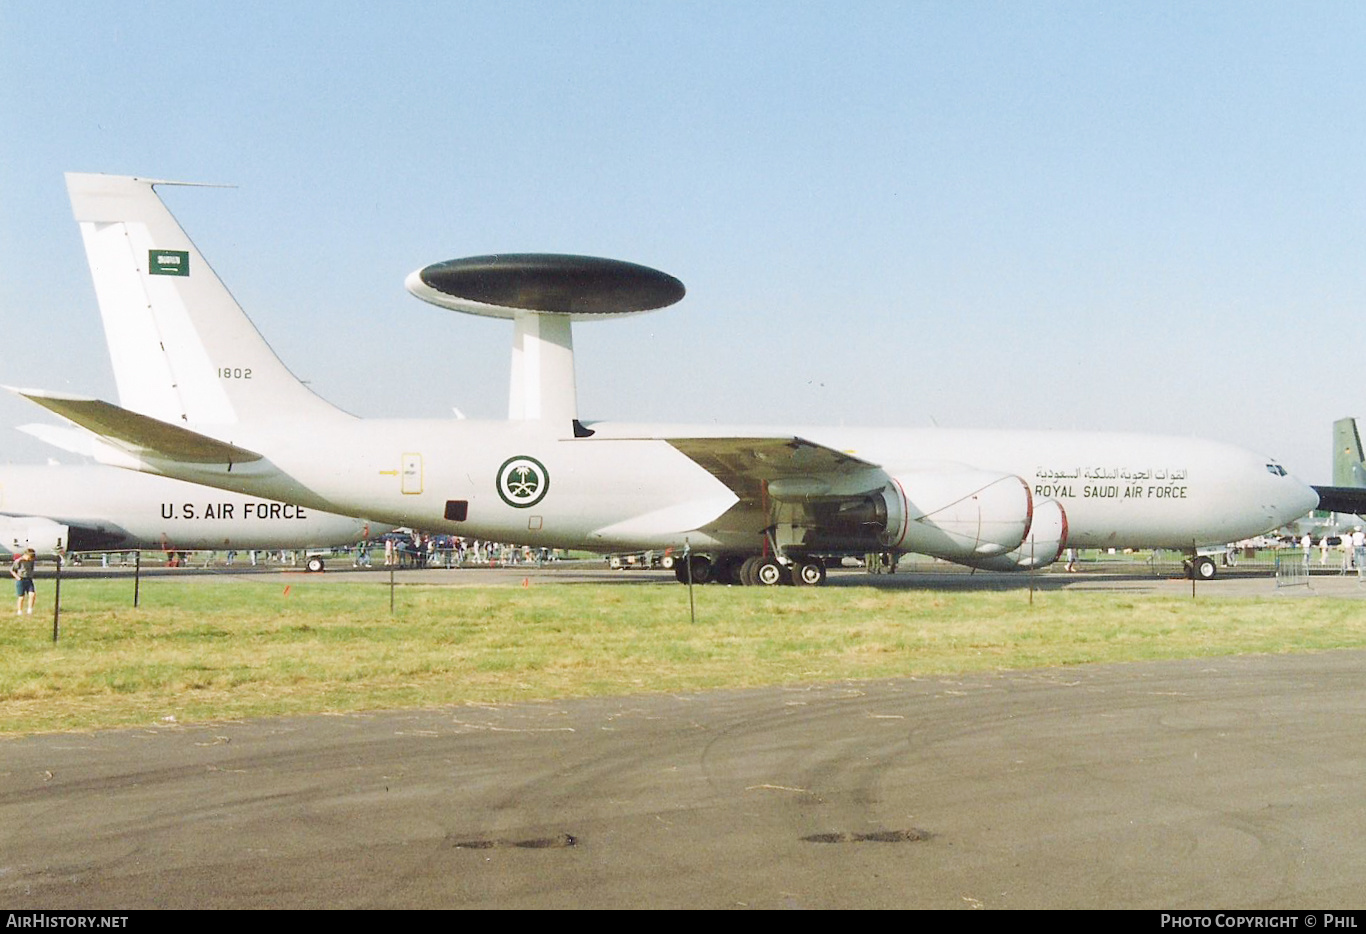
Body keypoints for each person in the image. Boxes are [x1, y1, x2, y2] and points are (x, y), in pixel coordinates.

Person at [12, 548, 36, 615]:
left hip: (28, 579)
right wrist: (17, 577)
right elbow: (12, 570)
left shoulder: (31, 561)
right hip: (21, 580)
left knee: (32, 594)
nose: (30, 559)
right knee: (21, 597)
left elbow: (31, 568)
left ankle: (30, 610)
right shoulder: (19, 561)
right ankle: (19, 611)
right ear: (26, 555)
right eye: (29, 557)